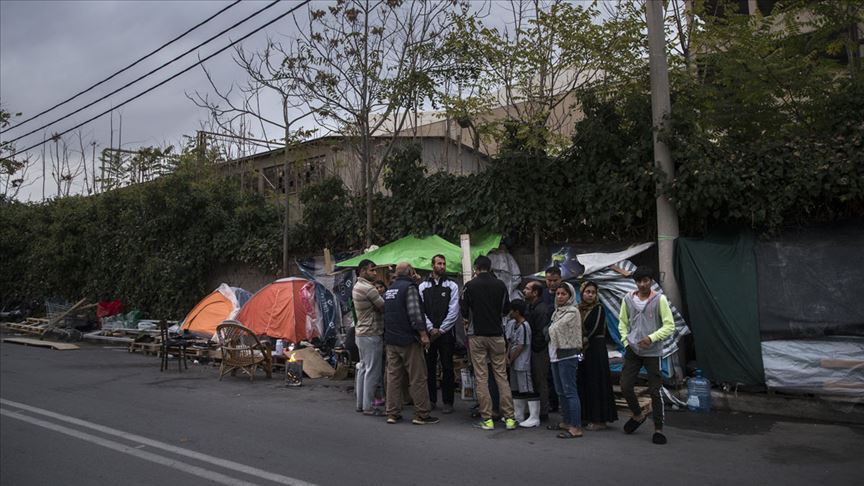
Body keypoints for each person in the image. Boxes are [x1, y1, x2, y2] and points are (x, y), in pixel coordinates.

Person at [618, 266, 674, 445]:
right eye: (639, 281)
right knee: (625, 386)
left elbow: (669, 325)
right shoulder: (628, 299)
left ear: (651, 281)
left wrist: (652, 338)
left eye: (646, 281)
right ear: (635, 282)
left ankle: (658, 429)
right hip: (633, 350)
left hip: (652, 351)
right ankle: (638, 414)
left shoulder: (660, 300)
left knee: (655, 390)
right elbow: (622, 323)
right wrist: (626, 342)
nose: (642, 284)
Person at [461, 255, 516, 431]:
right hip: (497, 335)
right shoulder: (500, 285)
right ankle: (509, 418)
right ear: (490, 267)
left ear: (476, 268)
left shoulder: (470, 286)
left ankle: (488, 418)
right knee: (501, 376)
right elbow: (506, 309)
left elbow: (463, 311)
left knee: (481, 378)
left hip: (477, 335)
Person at [382, 262, 439, 425]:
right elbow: (415, 313)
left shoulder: (390, 289)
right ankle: (422, 414)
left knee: (393, 377)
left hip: (391, 340)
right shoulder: (409, 288)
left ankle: (392, 413)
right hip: (408, 340)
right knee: (418, 377)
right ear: (410, 272)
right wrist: (423, 334)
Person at [418, 254, 460, 414]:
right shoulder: (423, 286)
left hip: (446, 334)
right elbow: (421, 310)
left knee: (448, 367)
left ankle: (448, 402)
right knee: (429, 367)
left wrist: (441, 329)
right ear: (432, 265)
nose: (442, 266)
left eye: (444, 263)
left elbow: (454, 310)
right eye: (439, 263)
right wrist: (430, 328)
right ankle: (432, 400)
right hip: (429, 334)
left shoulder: (452, 285)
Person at [576, 281, 617, 430]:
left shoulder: (598, 308)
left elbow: (593, 329)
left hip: (595, 349)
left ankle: (600, 420)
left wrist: (580, 341)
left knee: (596, 382)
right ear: (582, 293)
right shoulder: (578, 309)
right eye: (587, 292)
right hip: (582, 350)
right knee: (584, 381)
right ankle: (586, 415)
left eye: (593, 292)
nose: (590, 295)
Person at [548, 282, 583, 439]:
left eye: (564, 294)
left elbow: (555, 329)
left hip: (567, 355)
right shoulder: (557, 312)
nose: (560, 297)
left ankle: (576, 427)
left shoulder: (572, 312)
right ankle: (566, 421)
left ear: (570, 296)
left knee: (570, 391)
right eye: (558, 294)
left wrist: (548, 329)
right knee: (560, 391)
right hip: (555, 354)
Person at [352, 259, 385, 416]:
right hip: (371, 333)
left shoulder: (357, 286)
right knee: (372, 371)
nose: (375, 273)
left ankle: (361, 404)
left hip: (361, 333)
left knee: (364, 368)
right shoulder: (368, 288)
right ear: (363, 271)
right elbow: (383, 306)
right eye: (372, 270)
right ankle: (369, 407)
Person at [507, 299, 540, 428]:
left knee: (527, 388)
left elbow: (521, 345)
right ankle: (518, 414)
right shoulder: (513, 324)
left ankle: (534, 417)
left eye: (511, 310)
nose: (509, 313)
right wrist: (507, 356)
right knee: (516, 389)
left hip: (522, 362)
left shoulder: (525, 326)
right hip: (514, 363)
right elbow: (510, 341)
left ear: (517, 311)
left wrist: (511, 358)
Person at [523, 280, 552, 421]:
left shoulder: (541, 309)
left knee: (540, 379)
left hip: (538, 350)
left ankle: (543, 411)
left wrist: (534, 347)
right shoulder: (531, 307)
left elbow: (541, 333)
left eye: (527, 288)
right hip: (533, 349)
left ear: (535, 293)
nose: (524, 290)